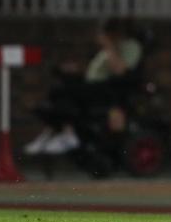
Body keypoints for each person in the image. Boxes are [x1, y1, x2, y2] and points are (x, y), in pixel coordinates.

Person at [24, 18, 143, 156]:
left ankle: (69, 133)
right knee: (58, 92)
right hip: (92, 84)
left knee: (64, 92)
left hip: (107, 89)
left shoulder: (131, 46)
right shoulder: (109, 49)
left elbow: (120, 71)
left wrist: (109, 46)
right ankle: (52, 131)